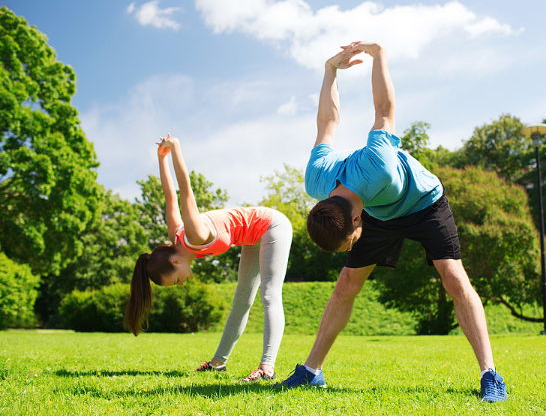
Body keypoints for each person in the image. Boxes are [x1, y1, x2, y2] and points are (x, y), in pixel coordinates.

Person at [275, 41, 507, 402]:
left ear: (355, 220)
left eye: (350, 241)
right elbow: (327, 122)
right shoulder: (317, 180)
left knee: (454, 277)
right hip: (379, 212)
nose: (351, 245)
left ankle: (490, 375)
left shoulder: (377, 165)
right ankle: (310, 372)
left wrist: (379, 53)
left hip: (424, 203)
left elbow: (384, 108)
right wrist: (329, 70)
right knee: (345, 283)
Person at [124, 134, 292, 383]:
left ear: (175, 262)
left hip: (271, 226)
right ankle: (218, 364)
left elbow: (183, 191)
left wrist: (176, 148)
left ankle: (267, 368)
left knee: (269, 294)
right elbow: (168, 195)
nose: (182, 283)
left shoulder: (194, 233)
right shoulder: (176, 237)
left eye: (176, 281)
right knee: (241, 301)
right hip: (252, 238)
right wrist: (161, 159)